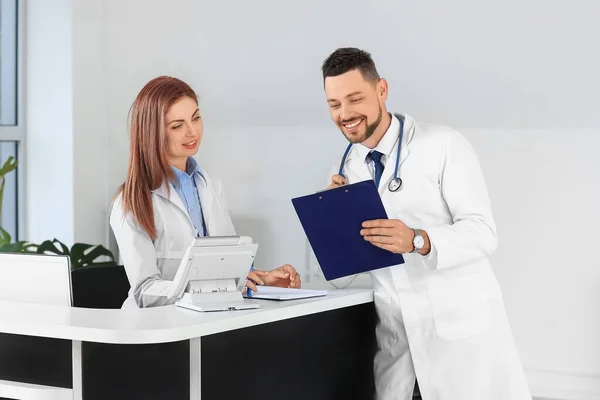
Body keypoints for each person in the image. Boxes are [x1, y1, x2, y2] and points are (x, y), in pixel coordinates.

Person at [320, 48, 531, 399]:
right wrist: (331, 219)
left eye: (354, 98)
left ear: (381, 90)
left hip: (460, 342)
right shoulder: (340, 171)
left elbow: (483, 232)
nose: (345, 114)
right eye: (334, 104)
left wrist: (418, 240)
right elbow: (342, 278)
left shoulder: (443, 145)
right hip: (398, 344)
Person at [110, 76, 301, 308]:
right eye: (178, 126)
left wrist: (262, 279)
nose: (192, 132)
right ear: (153, 132)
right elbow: (144, 291)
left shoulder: (210, 186)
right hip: (156, 330)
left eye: (196, 118)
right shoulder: (130, 202)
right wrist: (200, 287)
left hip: (208, 320)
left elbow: (227, 262)